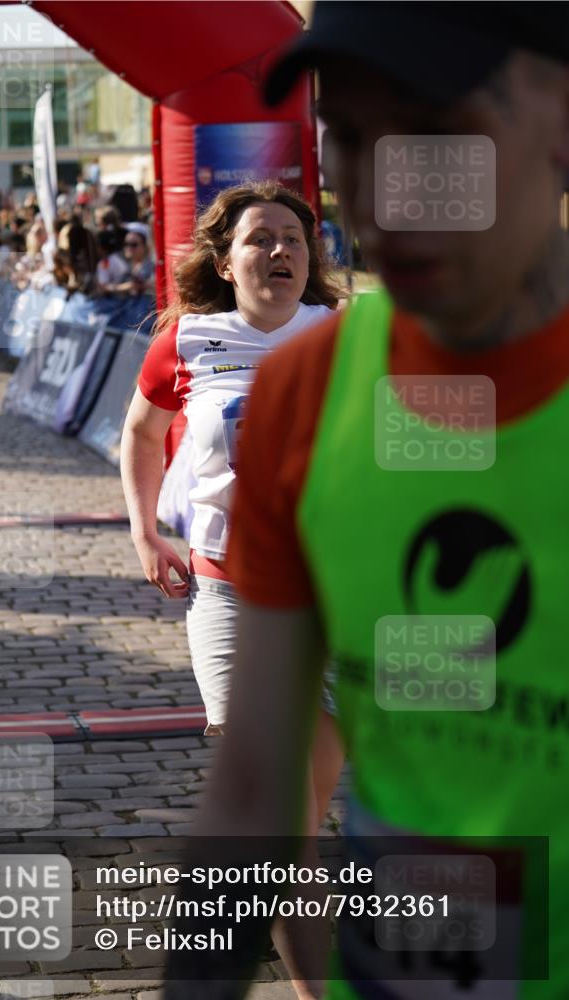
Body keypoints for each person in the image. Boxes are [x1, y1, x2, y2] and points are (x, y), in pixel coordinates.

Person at [166, 4, 569, 1000]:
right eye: (347, 135)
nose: (383, 193)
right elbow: (256, 787)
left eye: (432, 129)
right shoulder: (310, 389)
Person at [121, 181, 345, 999]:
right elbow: (141, 433)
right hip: (230, 598)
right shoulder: (187, 341)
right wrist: (146, 529)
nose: (280, 251)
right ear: (227, 259)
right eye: (261, 239)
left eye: (294, 239)